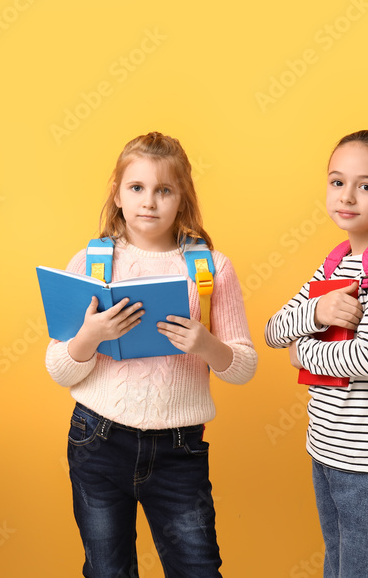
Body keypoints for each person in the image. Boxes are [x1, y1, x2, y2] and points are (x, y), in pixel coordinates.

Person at [45, 132, 256, 577]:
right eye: (137, 188)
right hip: (96, 439)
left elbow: (243, 366)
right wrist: (89, 336)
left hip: (179, 447)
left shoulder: (212, 267)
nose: (149, 202)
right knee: (107, 570)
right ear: (118, 195)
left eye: (164, 190)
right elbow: (59, 368)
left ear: (183, 198)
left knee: (197, 568)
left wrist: (205, 344)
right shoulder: (90, 261)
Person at [265, 130, 368, 578]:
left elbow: (367, 359)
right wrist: (317, 309)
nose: (347, 197)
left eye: (367, 185)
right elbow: (273, 330)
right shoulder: (338, 261)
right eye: (337, 182)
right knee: (337, 569)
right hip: (328, 449)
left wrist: (303, 355)